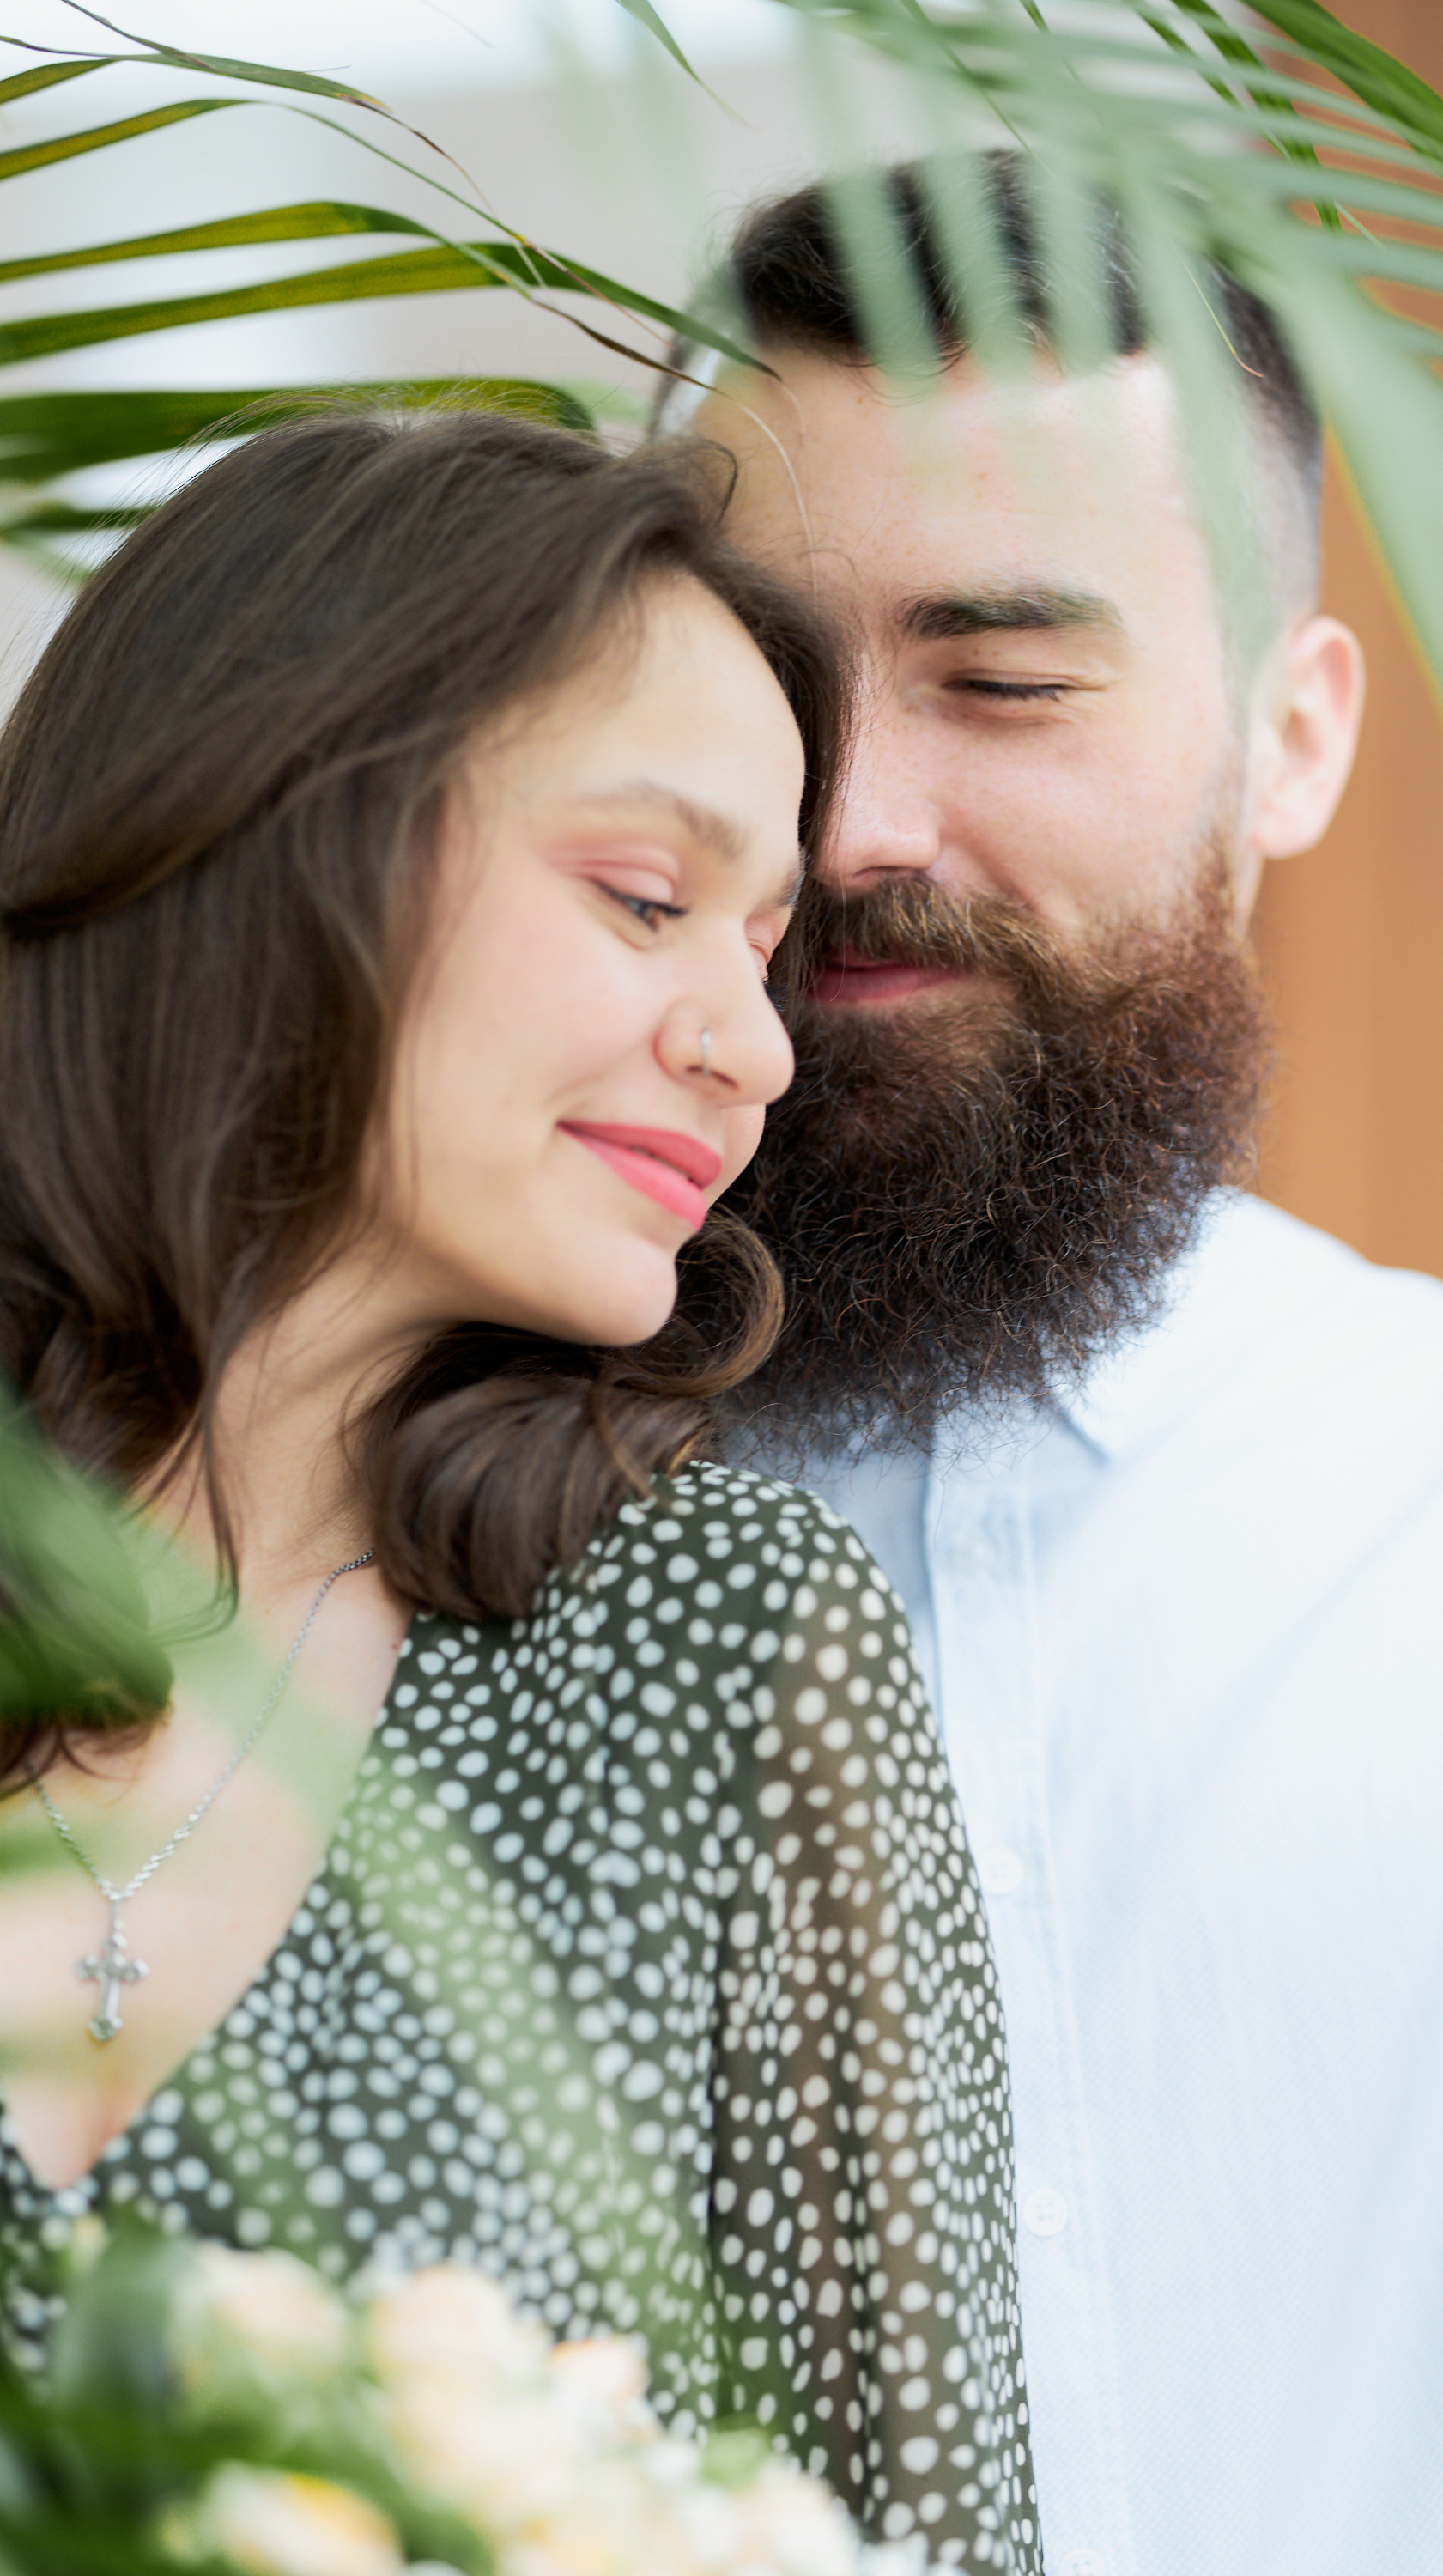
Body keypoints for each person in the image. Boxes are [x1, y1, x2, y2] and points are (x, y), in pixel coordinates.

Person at [0, 408, 1039, 2573]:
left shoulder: (723, 1648)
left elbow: (934, 2541)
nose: (757, 1045)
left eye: (768, 945)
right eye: (645, 898)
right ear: (263, 824)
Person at [669, 162, 1443, 2576]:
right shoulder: (296, 1525)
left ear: (1293, 744)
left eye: (1005, 683)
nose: (853, 820)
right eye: (765, 688)